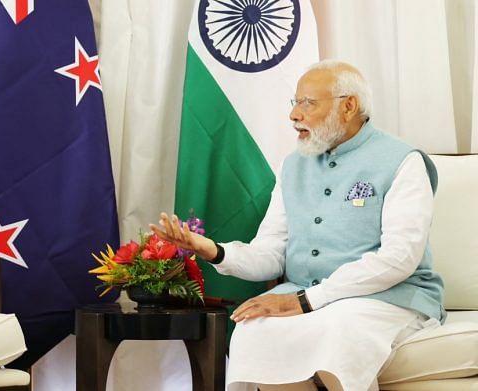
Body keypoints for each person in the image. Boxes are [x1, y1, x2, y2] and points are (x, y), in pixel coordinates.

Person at [151, 60, 444, 391]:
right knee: (254, 327)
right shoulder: (292, 166)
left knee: (337, 328)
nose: (294, 115)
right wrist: (215, 252)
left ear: (349, 106)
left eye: (308, 103)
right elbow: (272, 253)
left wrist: (307, 301)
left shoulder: (404, 161)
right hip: (305, 292)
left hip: (387, 296)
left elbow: (399, 258)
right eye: (295, 103)